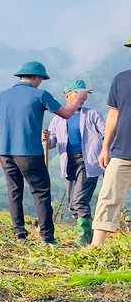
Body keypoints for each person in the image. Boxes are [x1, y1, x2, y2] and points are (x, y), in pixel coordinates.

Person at [0, 61, 89, 245]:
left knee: (14, 192)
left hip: (6, 153)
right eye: (41, 78)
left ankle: (20, 235)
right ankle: (47, 237)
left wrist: (9, 132)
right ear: (36, 78)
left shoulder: (2, 95)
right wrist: (78, 99)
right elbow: (66, 113)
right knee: (41, 192)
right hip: (29, 153)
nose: (40, 82)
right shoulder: (40, 94)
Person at [43, 80, 105, 246]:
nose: (82, 98)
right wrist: (46, 139)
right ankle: (85, 236)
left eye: (83, 95)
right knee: (72, 203)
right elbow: (52, 143)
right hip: (69, 163)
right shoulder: (58, 119)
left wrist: (107, 154)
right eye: (77, 94)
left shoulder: (92, 114)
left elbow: (107, 134)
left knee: (79, 200)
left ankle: (84, 237)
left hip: (88, 162)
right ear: (67, 96)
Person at [89, 35, 131, 248]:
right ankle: (97, 246)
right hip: (122, 151)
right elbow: (113, 116)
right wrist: (105, 147)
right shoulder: (121, 79)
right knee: (108, 196)